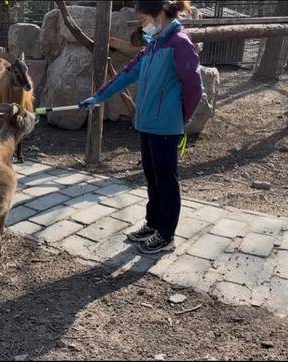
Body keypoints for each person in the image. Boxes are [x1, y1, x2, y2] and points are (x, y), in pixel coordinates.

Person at [79, 0, 202, 254]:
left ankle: (166, 235)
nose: (143, 27)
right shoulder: (153, 45)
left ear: (160, 15)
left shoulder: (180, 43)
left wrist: (182, 118)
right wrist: (98, 97)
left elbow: (193, 86)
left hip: (167, 127)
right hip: (147, 124)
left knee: (166, 181)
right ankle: (153, 223)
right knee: (152, 177)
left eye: (145, 21)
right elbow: (127, 73)